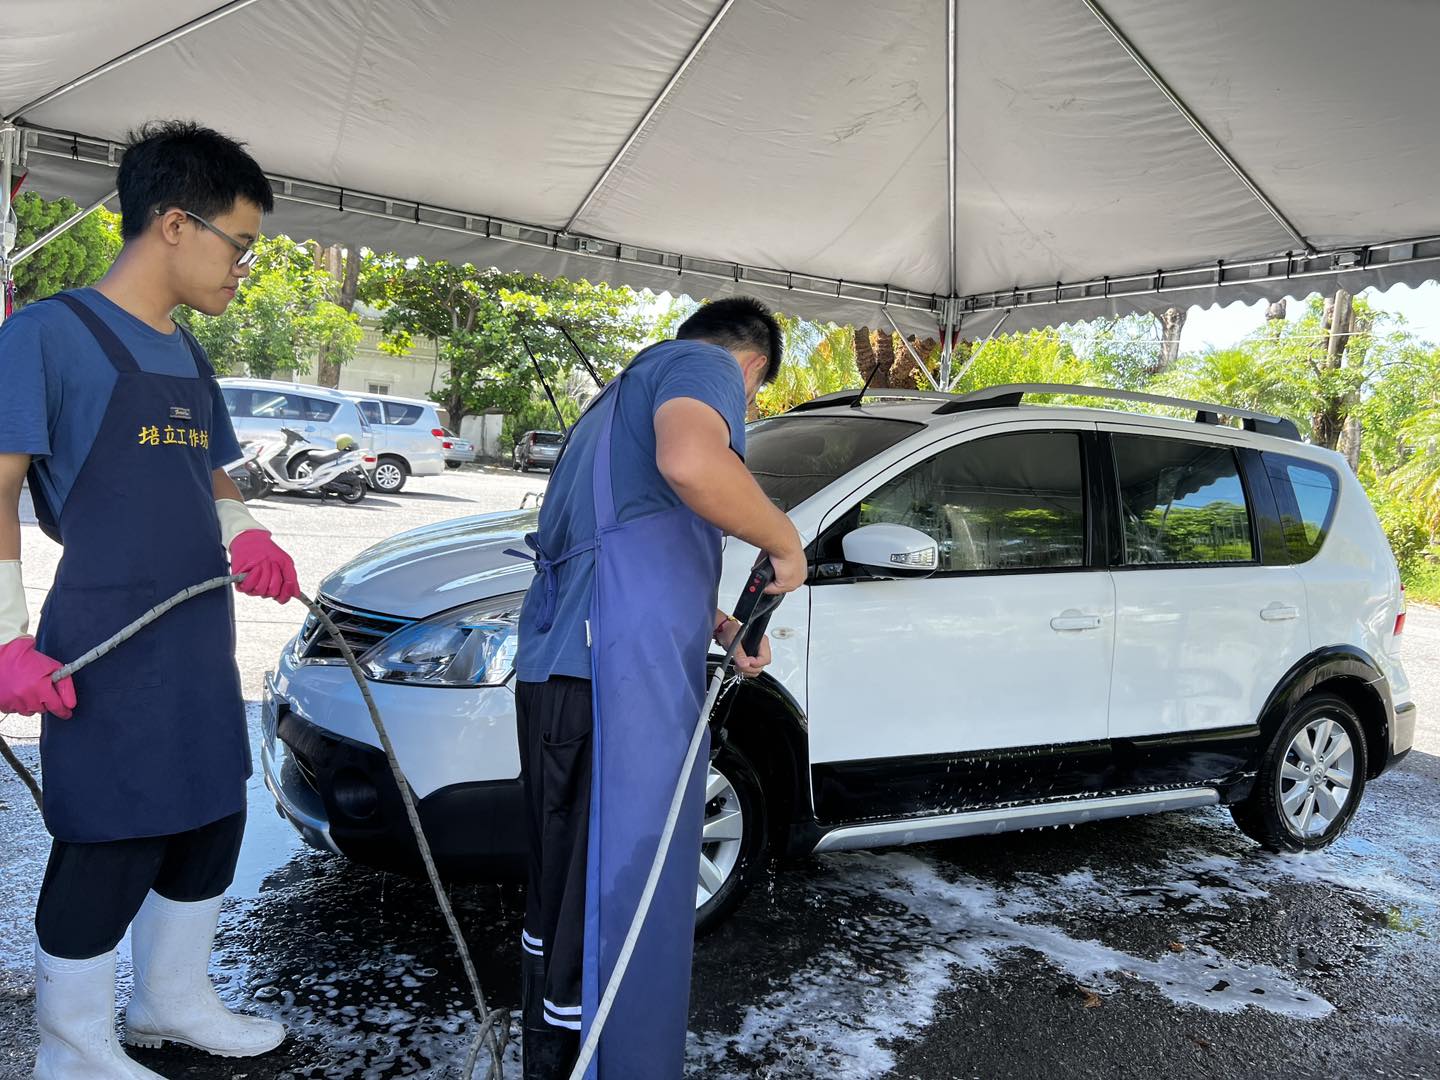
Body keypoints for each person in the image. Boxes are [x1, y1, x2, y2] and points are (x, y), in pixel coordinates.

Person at [0, 120, 300, 1080]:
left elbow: (212, 475)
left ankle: (172, 1002)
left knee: (212, 816)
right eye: (239, 242)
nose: (244, 265)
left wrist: (247, 532)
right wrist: (5, 639)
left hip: (198, 631)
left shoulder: (188, 356)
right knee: (111, 833)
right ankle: (73, 1048)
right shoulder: (48, 335)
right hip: (105, 631)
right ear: (174, 223)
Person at [511, 296, 806, 1078]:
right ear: (749, 368)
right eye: (748, 402)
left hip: (561, 671)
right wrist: (783, 540)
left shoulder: (610, 405)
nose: (738, 413)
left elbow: (612, 542)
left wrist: (713, 619)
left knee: (567, 909)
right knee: (613, 901)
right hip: (613, 682)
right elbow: (692, 462)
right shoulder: (700, 365)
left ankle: (556, 1061)